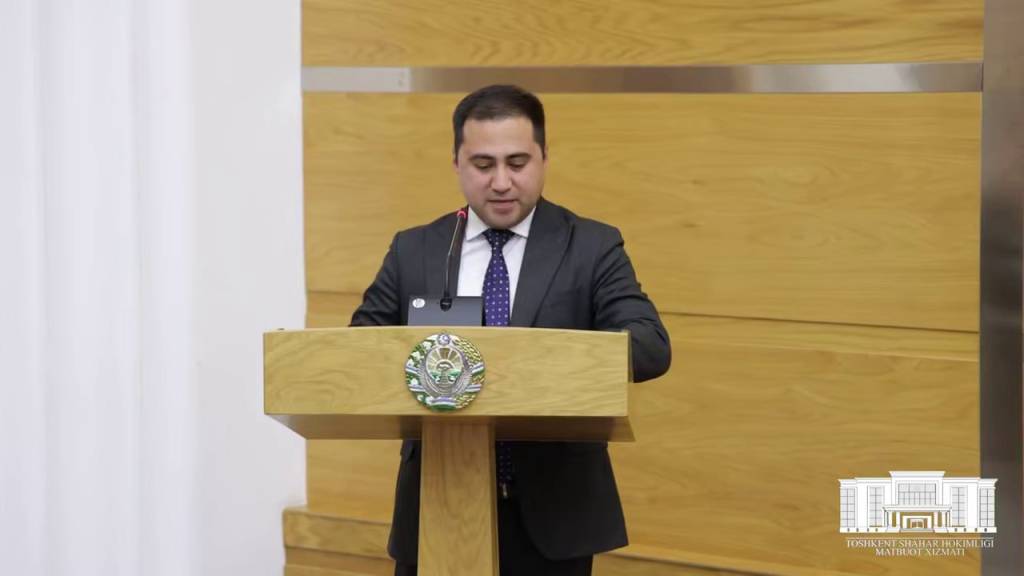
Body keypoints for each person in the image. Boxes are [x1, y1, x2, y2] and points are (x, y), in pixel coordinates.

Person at [350, 84, 672, 576]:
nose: (501, 182)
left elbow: (650, 345)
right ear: (456, 163)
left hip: (553, 515)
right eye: (483, 165)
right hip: (437, 505)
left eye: (517, 163)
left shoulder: (591, 246)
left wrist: (536, 361)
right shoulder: (415, 249)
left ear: (544, 158)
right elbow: (359, 349)